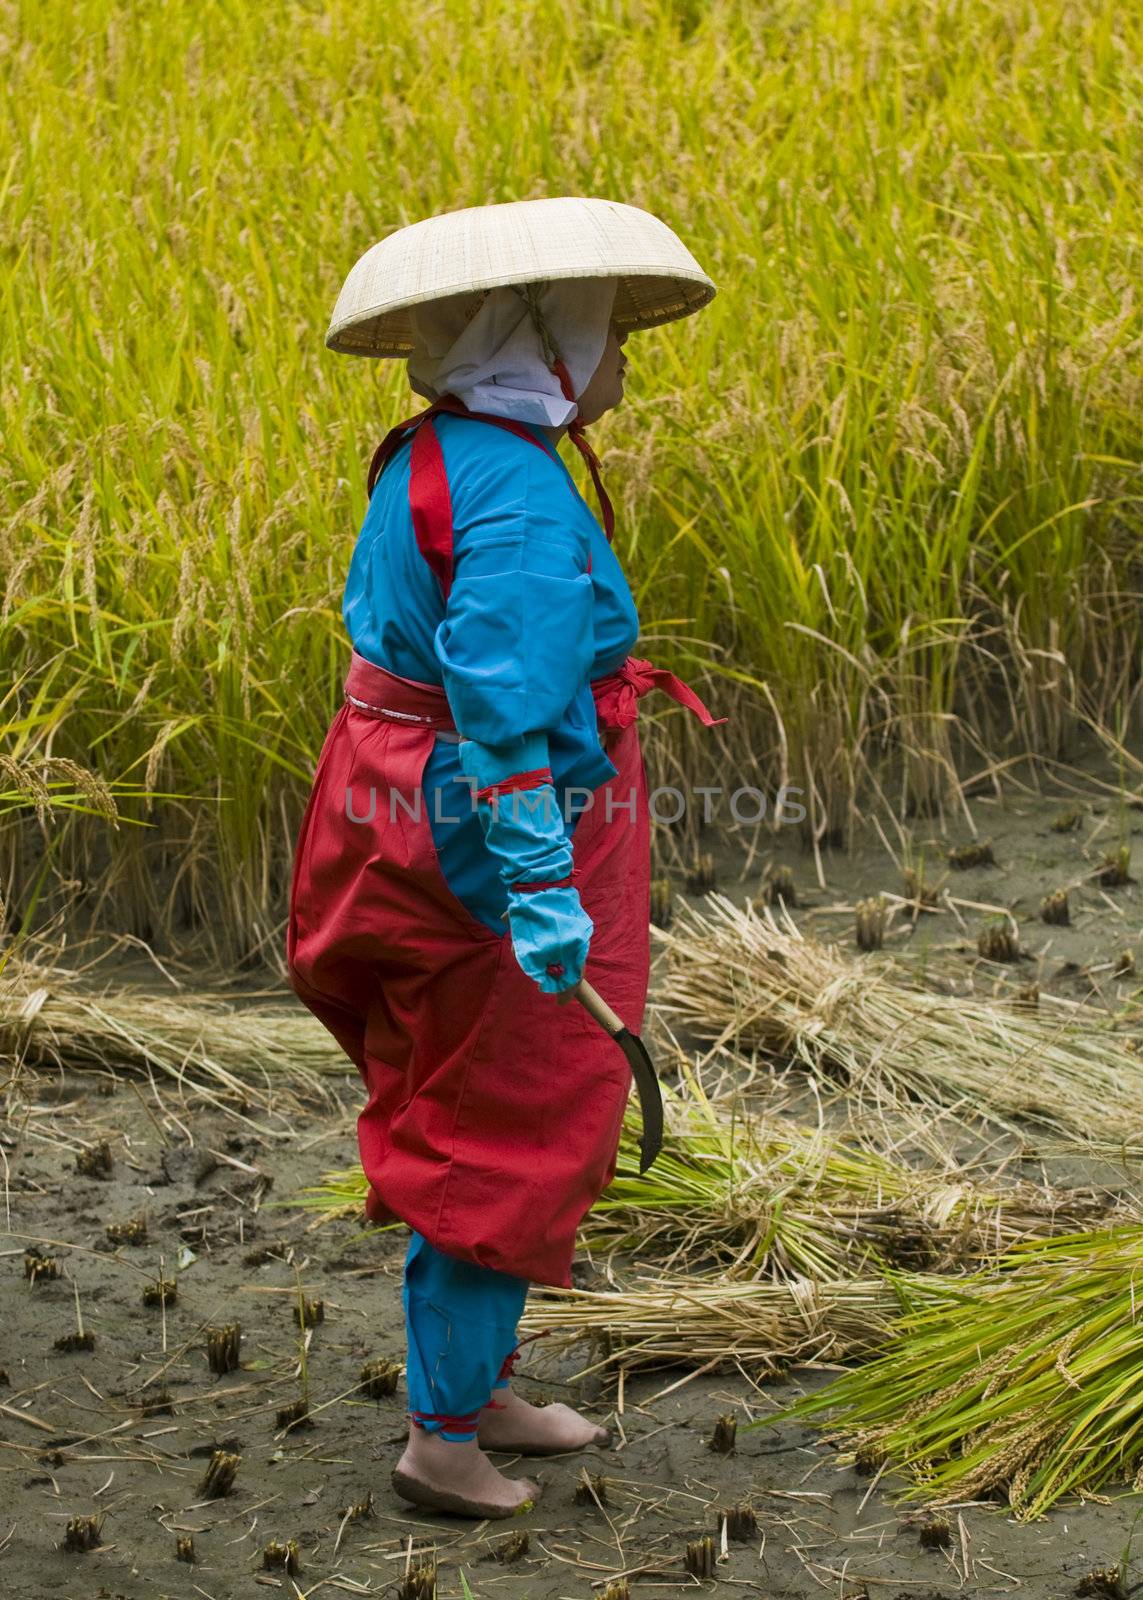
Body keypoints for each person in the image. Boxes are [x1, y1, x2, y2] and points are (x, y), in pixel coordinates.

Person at [287, 197, 723, 1518]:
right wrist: (538, 885)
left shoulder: (438, 449)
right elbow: (505, 709)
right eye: (604, 336)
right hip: (479, 836)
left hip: (389, 805)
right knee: (510, 1111)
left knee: (470, 1088)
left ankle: (477, 1391)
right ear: (541, 338)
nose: (622, 362)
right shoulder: (522, 497)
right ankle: (443, 1442)